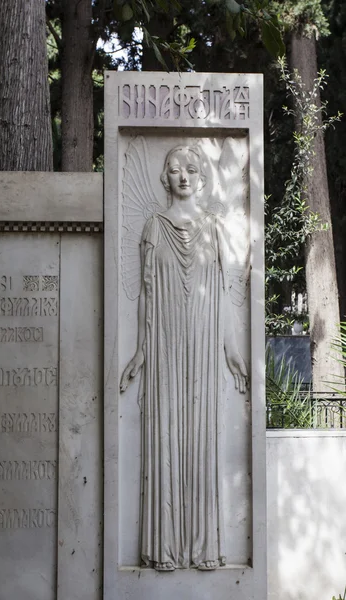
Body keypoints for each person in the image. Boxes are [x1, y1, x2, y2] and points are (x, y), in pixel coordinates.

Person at [120, 144, 248, 571]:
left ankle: (202, 547)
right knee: (166, 437)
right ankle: (165, 547)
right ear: (164, 178)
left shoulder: (214, 228)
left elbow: (226, 296)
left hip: (204, 342)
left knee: (199, 438)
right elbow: (145, 294)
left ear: (202, 177)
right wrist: (139, 350)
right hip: (164, 347)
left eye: (192, 170)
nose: (183, 177)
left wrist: (231, 350)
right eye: (174, 170)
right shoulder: (153, 228)